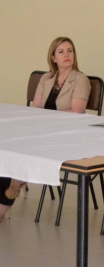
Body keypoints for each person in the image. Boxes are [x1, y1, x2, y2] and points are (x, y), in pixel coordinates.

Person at [0, 36, 91, 222]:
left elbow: (77, 111)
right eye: (61, 52)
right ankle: (16, 180)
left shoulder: (81, 79)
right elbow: (36, 106)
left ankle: (10, 193)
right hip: (41, 130)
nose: (66, 55)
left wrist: (44, 119)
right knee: (7, 149)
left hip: (65, 134)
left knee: (16, 153)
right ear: (53, 57)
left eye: (70, 51)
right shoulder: (46, 78)